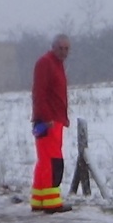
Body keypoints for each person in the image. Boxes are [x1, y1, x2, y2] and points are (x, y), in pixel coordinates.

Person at [30, 34, 71, 213]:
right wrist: (46, 119)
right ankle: (51, 202)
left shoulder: (56, 64)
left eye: (66, 48)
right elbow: (40, 93)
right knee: (52, 161)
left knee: (45, 160)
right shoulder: (45, 63)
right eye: (60, 48)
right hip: (49, 121)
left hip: (56, 119)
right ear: (53, 47)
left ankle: (39, 199)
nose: (63, 52)